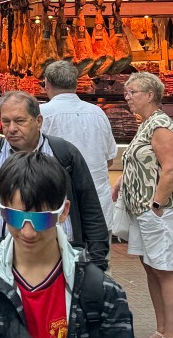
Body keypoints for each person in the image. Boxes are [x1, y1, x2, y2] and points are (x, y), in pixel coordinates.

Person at [0, 152, 136, 338]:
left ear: (64, 211)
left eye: (41, 219)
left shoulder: (102, 291)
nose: (28, 232)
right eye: (16, 217)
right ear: (0, 205)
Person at [0, 90, 109, 270]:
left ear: (38, 121)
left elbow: (90, 207)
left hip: (61, 258)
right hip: (5, 258)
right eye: (6, 121)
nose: (11, 128)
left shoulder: (64, 154)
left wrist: (97, 262)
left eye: (20, 121)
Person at [114, 71, 173, 338]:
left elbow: (170, 169)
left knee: (165, 270)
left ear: (150, 95)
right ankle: (161, 331)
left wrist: (157, 204)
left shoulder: (161, 125)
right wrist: (121, 183)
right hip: (144, 210)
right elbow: (142, 163)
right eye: (126, 92)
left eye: (132, 92)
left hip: (163, 210)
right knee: (152, 268)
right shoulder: (146, 124)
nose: (127, 97)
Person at [40, 60, 117, 225]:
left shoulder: (41, 115)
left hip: (57, 206)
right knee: (99, 243)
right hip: (98, 205)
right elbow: (109, 160)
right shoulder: (98, 113)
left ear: (47, 84)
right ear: (76, 84)